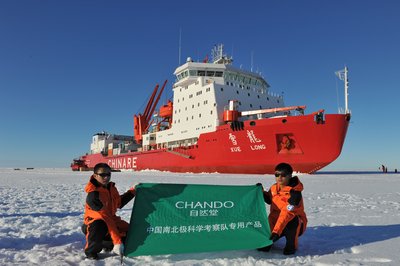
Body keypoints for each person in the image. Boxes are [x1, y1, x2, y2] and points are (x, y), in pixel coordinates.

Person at [81, 163, 136, 260]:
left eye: (108, 174)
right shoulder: (93, 195)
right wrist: (117, 242)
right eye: (102, 175)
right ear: (95, 175)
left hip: (111, 221)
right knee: (100, 225)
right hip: (94, 224)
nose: (106, 177)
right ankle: (91, 252)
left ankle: (107, 244)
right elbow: (106, 218)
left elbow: (119, 203)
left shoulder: (111, 188)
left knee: (132, 232)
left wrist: (133, 191)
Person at [258, 163, 307, 255]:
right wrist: (260, 191)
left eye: (283, 175)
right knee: (263, 248)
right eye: (277, 174)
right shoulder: (274, 188)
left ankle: (291, 245)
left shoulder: (295, 194)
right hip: (275, 221)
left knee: (292, 221)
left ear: (290, 176)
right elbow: (269, 199)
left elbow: (286, 213)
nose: (280, 177)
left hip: (293, 223)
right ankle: (270, 240)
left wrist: (276, 232)